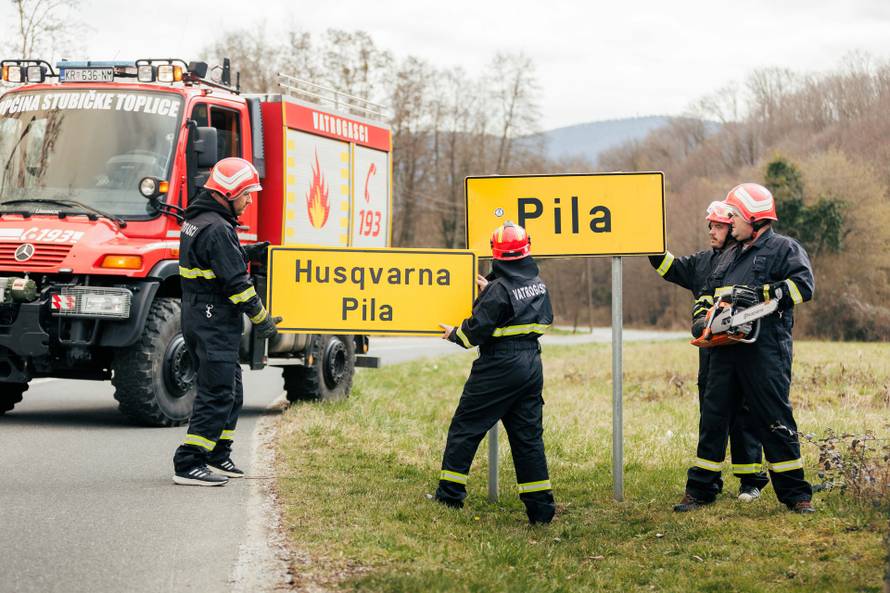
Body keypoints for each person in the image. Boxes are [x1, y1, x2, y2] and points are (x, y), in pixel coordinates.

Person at [676, 183, 815, 513]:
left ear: (754, 218)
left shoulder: (784, 249)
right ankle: (701, 489)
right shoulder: (727, 256)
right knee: (713, 419)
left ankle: (796, 494)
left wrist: (765, 294)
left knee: (774, 419)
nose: (729, 220)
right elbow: (709, 295)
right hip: (724, 351)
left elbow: (803, 286)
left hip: (765, 352)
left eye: (734, 215)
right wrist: (704, 321)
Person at [434, 221, 556, 524]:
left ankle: (449, 496)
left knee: (466, 426)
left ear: (496, 253)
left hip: (498, 366)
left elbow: (472, 334)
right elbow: (525, 312)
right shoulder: (537, 283)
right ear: (526, 250)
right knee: (528, 439)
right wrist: (490, 293)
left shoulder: (499, 290)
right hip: (531, 365)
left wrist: (453, 333)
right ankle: (541, 510)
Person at [649, 201, 769, 505]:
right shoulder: (701, 262)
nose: (712, 232)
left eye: (717, 226)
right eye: (710, 226)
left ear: (733, 228)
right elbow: (670, 267)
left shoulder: (746, 259)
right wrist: (648, 241)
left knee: (743, 416)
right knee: (711, 417)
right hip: (710, 354)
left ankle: (750, 481)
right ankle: (707, 484)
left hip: (740, 350)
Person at [172, 157, 281, 486]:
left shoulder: (201, 220)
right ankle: (189, 462)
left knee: (231, 391)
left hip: (203, 318)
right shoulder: (218, 228)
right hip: (213, 321)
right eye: (246, 194)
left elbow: (212, 265)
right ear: (229, 192)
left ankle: (218, 453)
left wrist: (244, 253)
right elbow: (236, 285)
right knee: (217, 393)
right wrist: (264, 322)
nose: (249, 200)